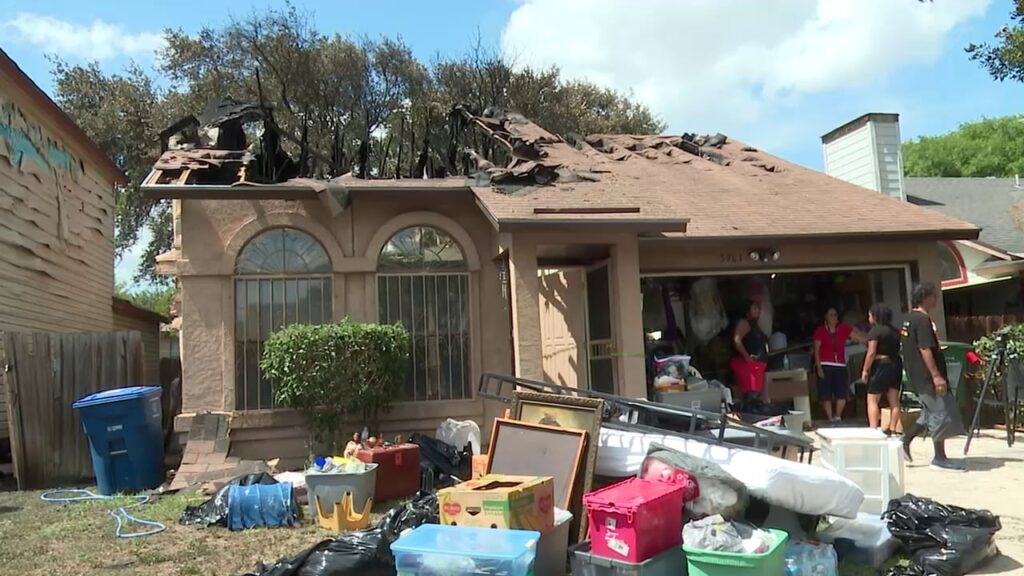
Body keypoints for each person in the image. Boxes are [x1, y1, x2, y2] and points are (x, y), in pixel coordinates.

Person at [901, 282, 965, 472]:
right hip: (927, 377)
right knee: (941, 413)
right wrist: (936, 376)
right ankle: (940, 458)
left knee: (929, 414)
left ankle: (905, 439)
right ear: (926, 297)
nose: (936, 299)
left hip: (916, 375)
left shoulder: (908, 319)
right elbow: (924, 348)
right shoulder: (922, 320)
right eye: (934, 295)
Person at [813, 307, 866, 423]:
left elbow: (858, 337)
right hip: (825, 364)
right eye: (831, 315)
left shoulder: (843, 328)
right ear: (826, 317)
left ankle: (838, 416)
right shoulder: (820, 331)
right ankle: (830, 417)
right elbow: (816, 350)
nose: (833, 317)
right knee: (825, 393)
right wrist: (819, 367)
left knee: (842, 392)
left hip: (840, 365)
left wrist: (870, 339)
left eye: (835, 315)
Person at [861, 303, 903, 434]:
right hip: (896, 363)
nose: (868, 318)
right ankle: (893, 429)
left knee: (872, 399)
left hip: (881, 365)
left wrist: (865, 370)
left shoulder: (875, 331)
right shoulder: (896, 331)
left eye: (869, 315)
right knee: (894, 400)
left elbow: (871, 352)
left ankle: (873, 429)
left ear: (875, 316)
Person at [731, 300, 769, 396]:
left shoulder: (755, 324)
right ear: (747, 311)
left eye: (758, 308)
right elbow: (737, 340)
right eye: (754, 308)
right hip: (748, 367)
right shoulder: (744, 323)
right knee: (751, 394)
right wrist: (746, 356)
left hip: (758, 366)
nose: (758, 311)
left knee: (759, 393)